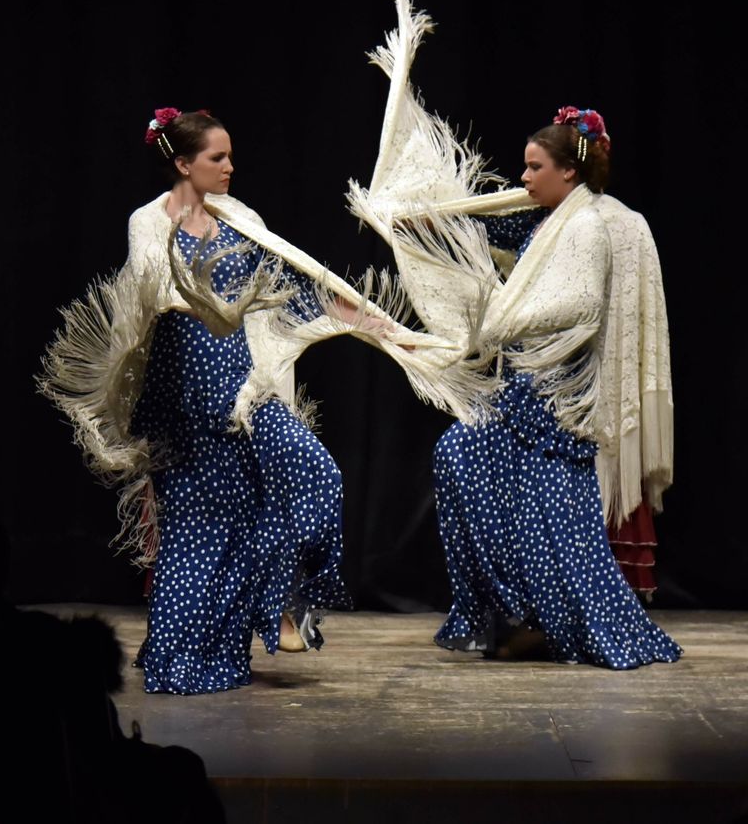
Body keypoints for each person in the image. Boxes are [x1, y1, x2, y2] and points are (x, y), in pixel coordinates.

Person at [41, 108, 446, 693]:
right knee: (199, 531)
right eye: (216, 158)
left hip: (242, 394)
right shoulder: (151, 222)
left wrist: (384, 328)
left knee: (314, 477)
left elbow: (294, 283)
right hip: (182, 399)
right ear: (182, 163)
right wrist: (213, 303)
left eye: (230, 156)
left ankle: (274, 596)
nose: (230, 167)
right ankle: (179, 657)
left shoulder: (242, 218)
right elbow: (152, 290)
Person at [423, 108, 681, 668]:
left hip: (554, 402)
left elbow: (582, 305)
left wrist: (497, 322)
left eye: (533, 167)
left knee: (491, 475)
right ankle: (515, 608)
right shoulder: (550, 222)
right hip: (528, 391)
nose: (523, 179)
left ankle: (532, 613)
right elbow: (497, 245)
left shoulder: (586, 225)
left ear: (568, 172)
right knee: (462, 461)